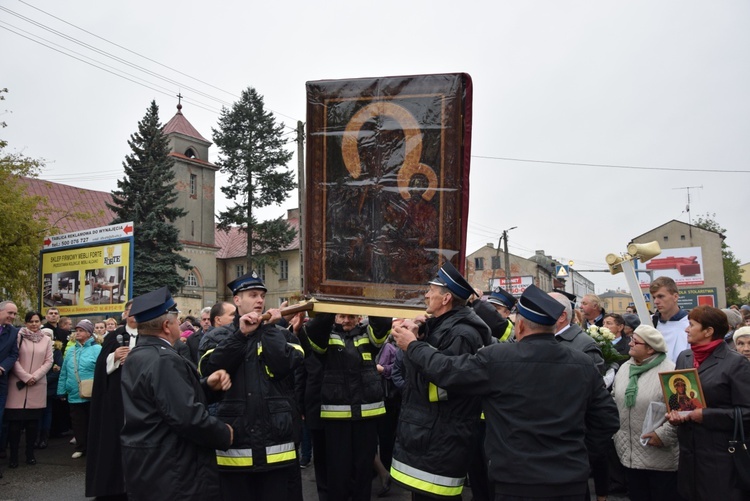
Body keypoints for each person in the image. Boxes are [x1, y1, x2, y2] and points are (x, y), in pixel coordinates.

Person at [392, 285, 620, 500]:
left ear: (519, 326)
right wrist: (580, 456)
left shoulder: (499, 358)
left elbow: (446, 371)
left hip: (515, 481)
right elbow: (608, 419)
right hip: (571, 481)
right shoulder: (582, 363)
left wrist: (413, 345)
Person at [120, 287, 233, 500]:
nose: (179, 323)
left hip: (150, 464)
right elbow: (186, 416)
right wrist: (224, 433)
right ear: (166, 325)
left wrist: (207, 386)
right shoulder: (164, 360)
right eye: (176, 319)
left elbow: (165, 400)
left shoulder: (139, 354)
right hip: (174, 467)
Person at [390, 261, 491, 500]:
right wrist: (420, 335)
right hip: (430, 436)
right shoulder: (444, 327)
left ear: (446, 299)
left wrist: (413, 346)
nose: (426, 295)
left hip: (441, 438)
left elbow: (445, 383)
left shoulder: (462, 333)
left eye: (431, 291)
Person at [201, 271, 305, 500]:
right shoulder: (216, 336)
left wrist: (267, 329)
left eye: (262, 296)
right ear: (237, 300)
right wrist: (240, 335)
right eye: (253, 295)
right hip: (236, 446)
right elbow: (210, 370)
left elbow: (283, 366)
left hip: (277, 447)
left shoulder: (282, 335)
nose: (260, 300)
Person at [300, 311, 391, 501]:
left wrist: (371, 294)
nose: (346, 320)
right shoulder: (325, 336)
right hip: (337, 418)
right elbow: (315, 329)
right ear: (334, 317)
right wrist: (331, 302)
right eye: (341, 316)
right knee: (338, 472)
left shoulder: (369, 335)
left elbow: (382, 323)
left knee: (363, 472)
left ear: (359, 318)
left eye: (351, 316)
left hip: (366, 416)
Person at [667, 305, 750, 500]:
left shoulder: (735, 363)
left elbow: (747, 413)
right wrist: (675, 415)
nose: (686, 329)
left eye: (692, 325)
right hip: (689, 459)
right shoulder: (685, 358)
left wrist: (706, 415)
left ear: (708, 331)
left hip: (722, 460)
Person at [612, 325, 679, 501]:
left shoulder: (669, 371)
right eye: (631, 339)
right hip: (629, 454)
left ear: (650, 349)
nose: (630, 344)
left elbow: (681, 411)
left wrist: (662, 435)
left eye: (635, 341)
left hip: (659, 456)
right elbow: (614, 398)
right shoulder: (626, 368)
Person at [85, 300, 136, 499]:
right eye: (131, 311)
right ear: (124, 314)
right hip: (116, 398)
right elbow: (101, 368)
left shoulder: (148, 335)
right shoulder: (115, 336)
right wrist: (114, 357)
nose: (134, 315)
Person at [6, 311, 53, 468]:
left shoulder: (46, 340)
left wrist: (35, 376)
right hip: (18, 384)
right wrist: (25, 377)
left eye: (37, 321)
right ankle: (13, 456)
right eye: (31, 321)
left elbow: (48, 361)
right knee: (14, 425)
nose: (34, 324)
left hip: (37, 384)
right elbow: (14, 358)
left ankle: (30, 454)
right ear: (26, 323)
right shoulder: (18, 337)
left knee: (33, 424)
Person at [57, 319, 101, 459]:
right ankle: (81, 447)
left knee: (93, 422)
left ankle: (94, 448)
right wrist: (61, 390)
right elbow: (64, 371)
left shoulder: (97, 349)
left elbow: (102, 371)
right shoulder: (70, 351)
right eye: (77, 330)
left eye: (81, 330)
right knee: (78, 423)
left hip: (92, 393)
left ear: (89, 333)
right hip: (74, 392)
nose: (78, 333)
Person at [550, 292, 606, 375]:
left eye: (584, 303)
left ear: (562, 316)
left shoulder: (587, 346)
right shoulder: (539, 339)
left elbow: (594, 381)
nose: (580, 306)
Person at [650, 276, 689, 363]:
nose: (656, 301)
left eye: (661, 296)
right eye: (654, 297)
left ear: (675, 297)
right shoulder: (649, 322)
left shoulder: (691, 323)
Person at [0, 301, 19, 476]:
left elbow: (14, 354)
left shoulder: (13, 332)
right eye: (10, 313)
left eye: (15, 314)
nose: (13, 317)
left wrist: (2, 367)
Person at [36, 327, 62, 450]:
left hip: (48, 387)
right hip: (35, 384)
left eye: (48, 335)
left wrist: (44, 379)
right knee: (36, 413)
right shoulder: (36, 348)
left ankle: (44, 438)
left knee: (46, 412)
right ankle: (35, 437)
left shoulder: (56, 351)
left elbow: (59, 369)